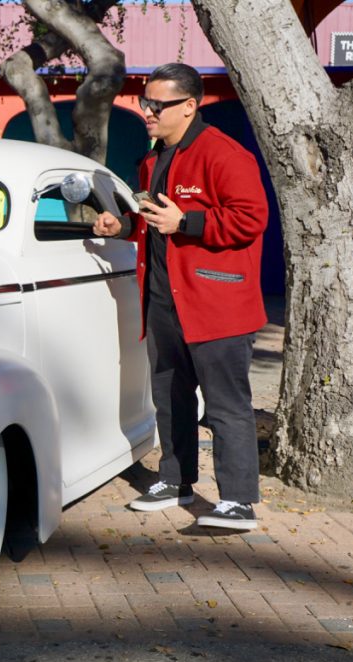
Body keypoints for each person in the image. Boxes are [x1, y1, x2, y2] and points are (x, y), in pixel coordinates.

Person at [92, 63, 269, 531]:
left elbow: (251, 219)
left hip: (216, 305)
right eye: (144, 102)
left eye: (157, 104)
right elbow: (154, 220)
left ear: (190, 106)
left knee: (226, 404)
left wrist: (186, 222)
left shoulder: (225, 155)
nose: (146, 111)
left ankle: (238, 501)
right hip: (164, 303)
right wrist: (124, 225)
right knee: (169, 398)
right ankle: (176, 480)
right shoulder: (152, 159)